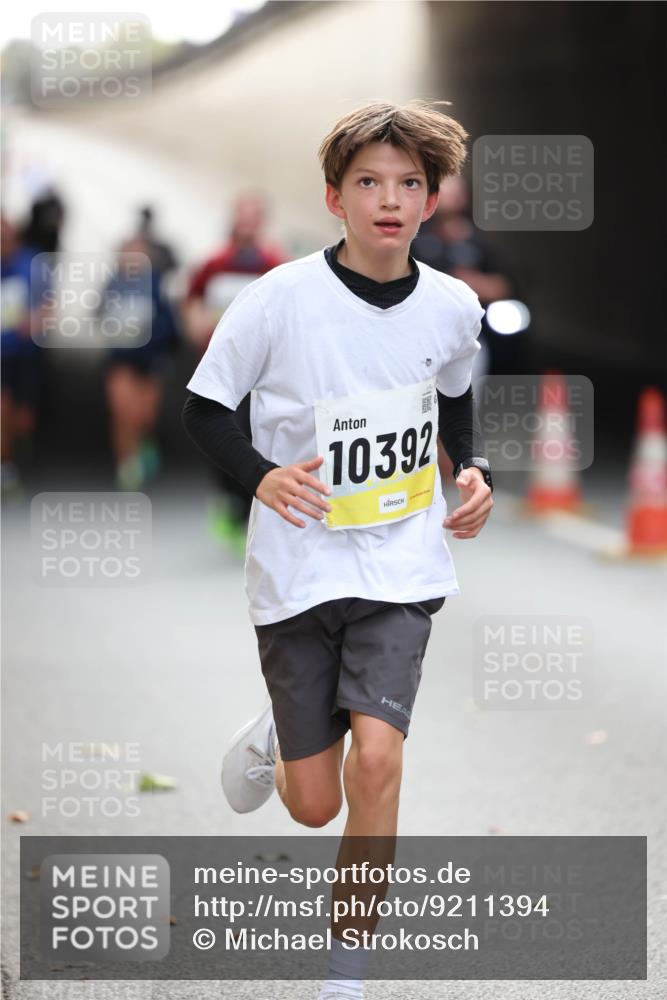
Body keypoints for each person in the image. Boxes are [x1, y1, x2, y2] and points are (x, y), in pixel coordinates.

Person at [182, 100, 494, 999]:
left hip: (401, 563)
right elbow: (206, 409)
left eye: (407, 184)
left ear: (431, 201)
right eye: (368, 182)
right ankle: (284, 734)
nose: (388, 200)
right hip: (299, 567)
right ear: (333, 197)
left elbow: (455, 391)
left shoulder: (450, 305)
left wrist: (467, 470)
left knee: (381, 760)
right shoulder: (276, 300)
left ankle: (347, 965)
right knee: (314, 804)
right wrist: (263, 477)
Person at [182, 193, 286, 553]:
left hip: (260, 370)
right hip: (221, 367)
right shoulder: (214, 263)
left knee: (252, 432)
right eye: (242, 215)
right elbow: (192, 298)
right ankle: (227, 497)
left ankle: (247, 504)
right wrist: (195, 319)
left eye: (254, 216)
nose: (247, 223)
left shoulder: (274, 263)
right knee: (216, 427)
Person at [101, 235, 181, 489]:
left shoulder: (156, 285)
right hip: (122, 360)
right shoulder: (113, 285)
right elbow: (100, 314)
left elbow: (169, 322)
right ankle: (127, 465)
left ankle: (145, 441)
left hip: (150, 360)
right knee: (123, 413)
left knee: (144, 416)